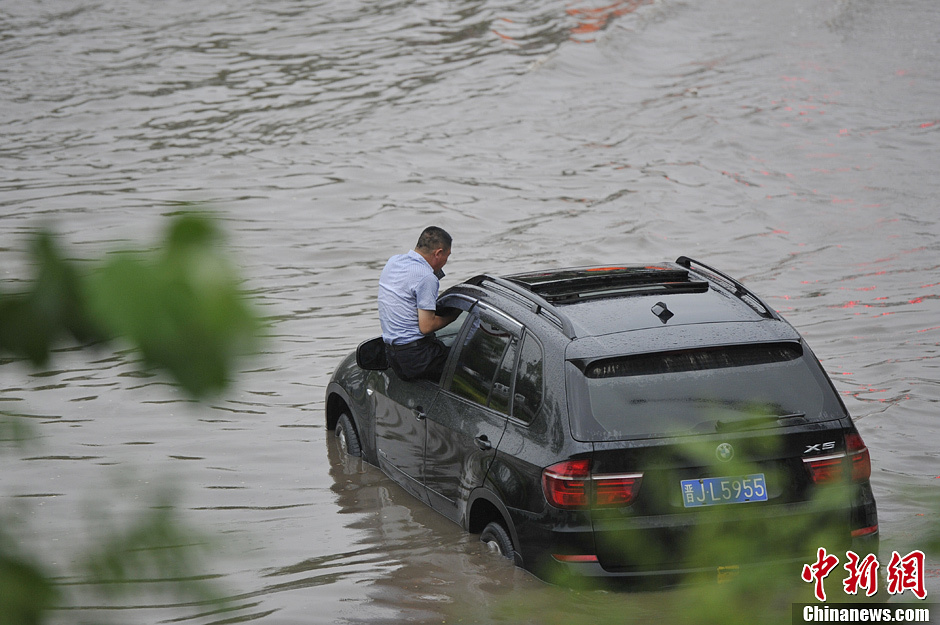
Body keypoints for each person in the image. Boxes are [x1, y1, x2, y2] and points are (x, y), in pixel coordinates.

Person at [378, 226, 459, 382]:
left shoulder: (393, 262)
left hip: (394, 357)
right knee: (475, 365)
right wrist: (454, 315)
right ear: (438, 253)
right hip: (420, 358)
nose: (446, 262)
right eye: (447, 256)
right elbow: (426, 326)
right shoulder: (426, 278)